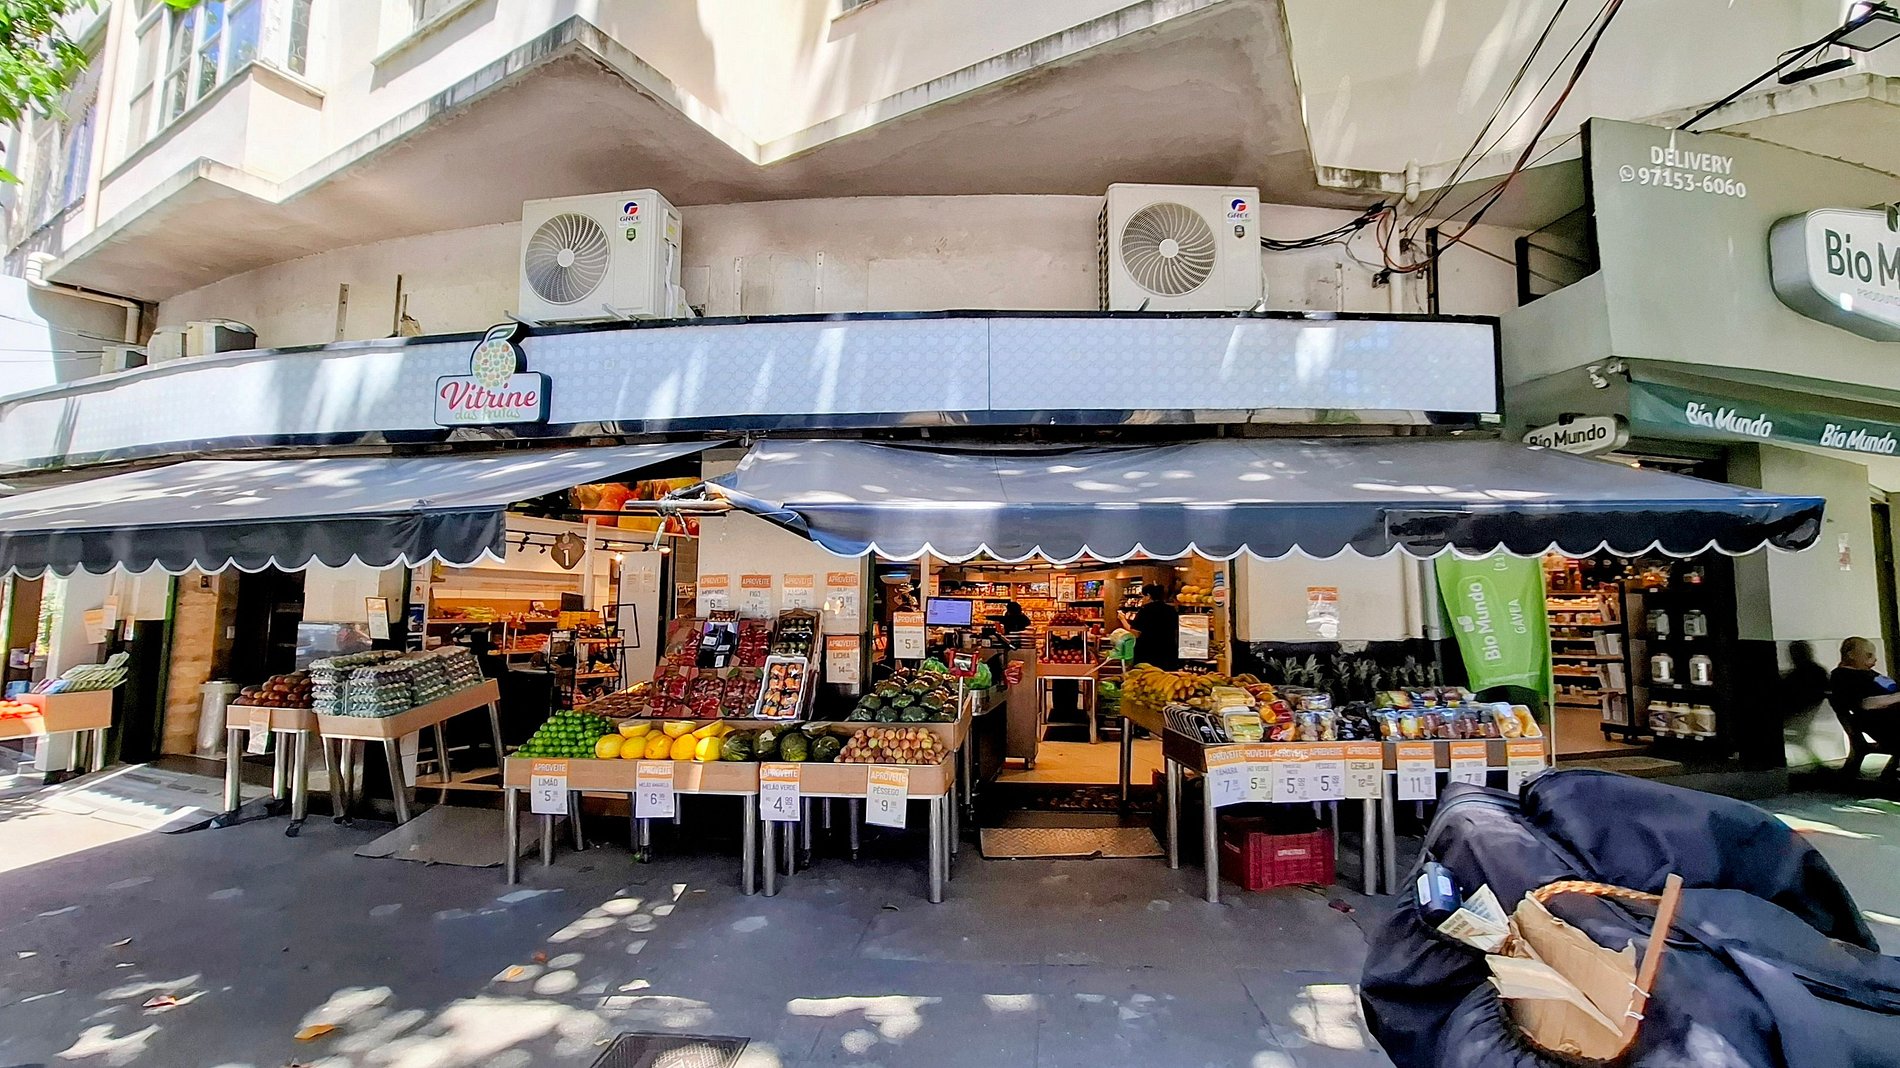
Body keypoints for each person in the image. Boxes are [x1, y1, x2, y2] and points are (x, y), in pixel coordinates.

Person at [1828, 636, 1900, 748]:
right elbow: (1865, 703)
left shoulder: (1867, 672)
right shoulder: (1843, 676)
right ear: (1851, 654)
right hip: (1886, 723)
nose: (1875, 659)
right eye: (1869, 655)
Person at [1130, 580, 1182, 671]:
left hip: (1148, 653)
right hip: (1168, 653)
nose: (1142, 599)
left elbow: (1136, 633)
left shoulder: (1145, 611)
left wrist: (1123, 620)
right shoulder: (1171, 610)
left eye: (1143, 596)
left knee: (1148, 677)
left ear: (1148, 596)